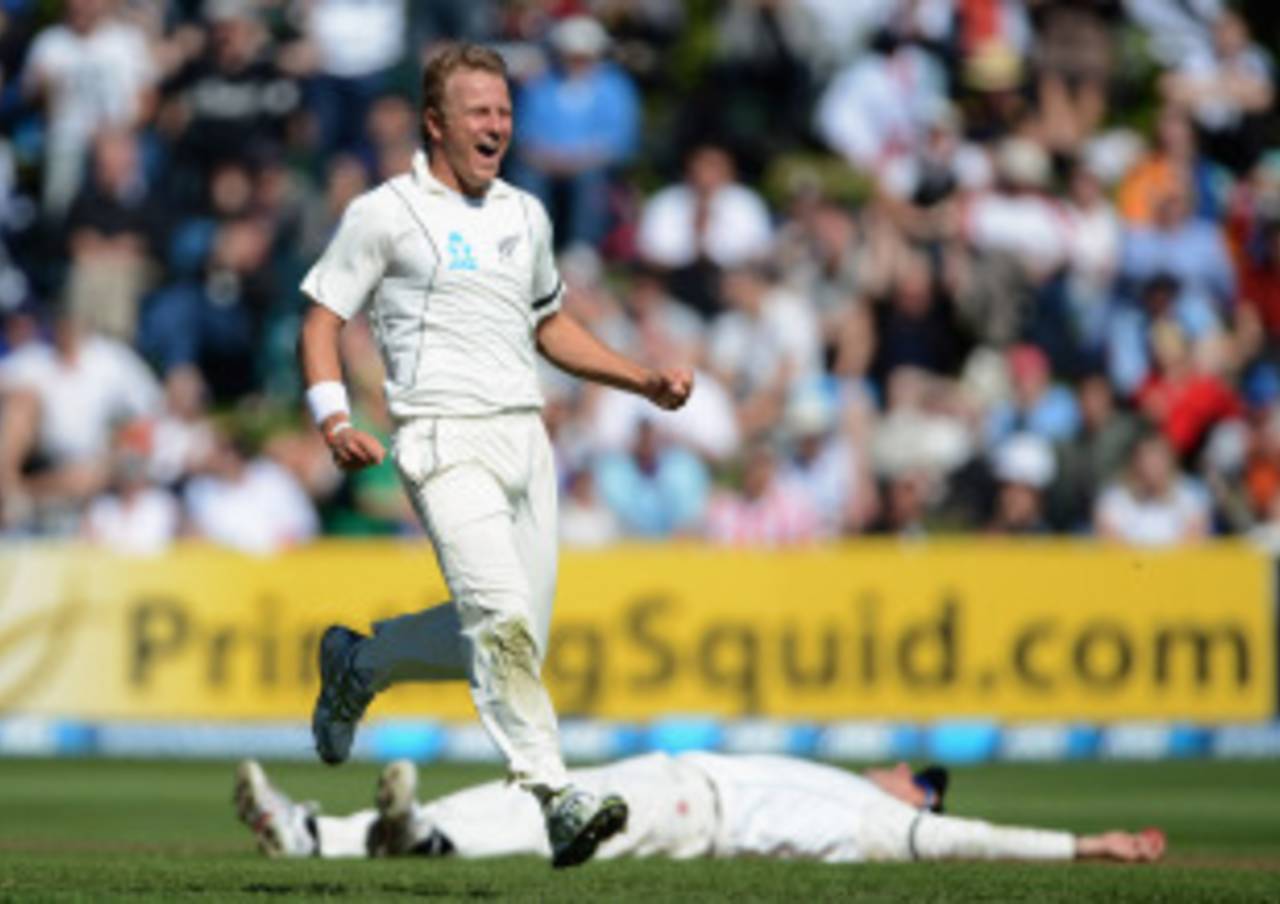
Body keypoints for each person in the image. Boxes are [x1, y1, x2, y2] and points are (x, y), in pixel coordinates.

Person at [295, 42, 693, 869]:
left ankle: (358, 665)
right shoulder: (385, 212)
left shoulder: (524, 213)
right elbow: (323, 319)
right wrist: (334, 422)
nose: (498, 125)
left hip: (526, 439)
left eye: (506, 111)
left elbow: (550, 325)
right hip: (442, 439)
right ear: (436, 123)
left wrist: (640, 377)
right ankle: (555, 794)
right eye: (480, 111)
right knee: (501, 620)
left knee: (509, 638)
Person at [233, 754, 1166, 866]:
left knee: (537, 817)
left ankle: (423, 839)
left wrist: (1088, 846)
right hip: (667, 776)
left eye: (909, 772)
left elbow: (967, 840)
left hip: (692, 808)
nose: (889, 766)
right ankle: (315, 832)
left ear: (917, 793)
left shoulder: (889, 822)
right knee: (526, 793)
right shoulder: (844, 781)